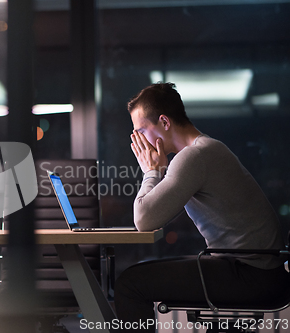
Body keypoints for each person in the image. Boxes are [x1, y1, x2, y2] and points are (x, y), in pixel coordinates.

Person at [114, 82, 288, 332]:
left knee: (130, 284)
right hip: (259, 270)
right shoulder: (205, 149)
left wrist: (151, 171)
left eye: (141, 130)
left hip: (250, 274)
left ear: (164, 122)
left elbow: (144, 219)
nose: (139, 140)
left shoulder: (194, 156)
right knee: (143, 273)